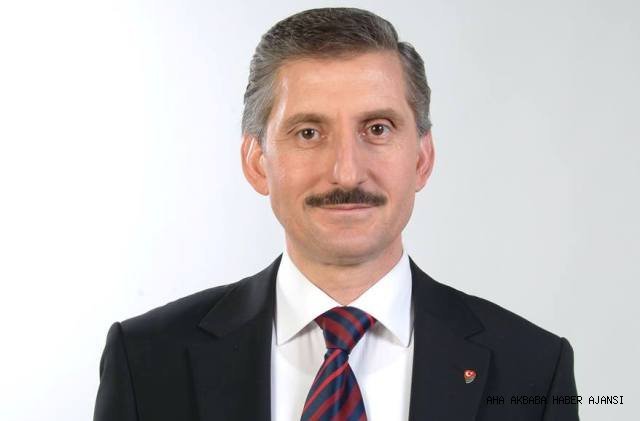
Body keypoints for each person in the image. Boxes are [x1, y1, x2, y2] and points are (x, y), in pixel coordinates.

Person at [93, 7, 578, 421]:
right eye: (309, 132)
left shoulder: (533, 367)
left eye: (378, 128)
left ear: (422, 158)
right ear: (257, 161)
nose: (347, 172)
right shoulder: (146, 358)